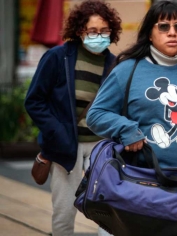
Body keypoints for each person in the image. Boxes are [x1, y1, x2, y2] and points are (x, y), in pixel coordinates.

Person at [24, 1, 122, 235]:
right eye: (93, 31)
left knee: (108, 209)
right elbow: (34, 101)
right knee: (64, 211)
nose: (99, 36)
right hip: (66, 148)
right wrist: (56, 133)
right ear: (80, 31)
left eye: (104, 31)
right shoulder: (58, 58)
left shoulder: (115, 64)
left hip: (102, 148)